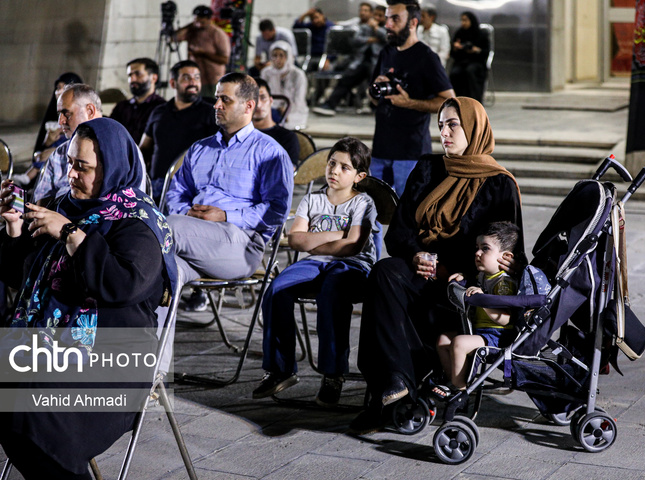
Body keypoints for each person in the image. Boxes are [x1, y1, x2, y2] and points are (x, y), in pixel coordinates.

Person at [0, 117, 177, 479]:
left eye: (83, 167)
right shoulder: (60, 204)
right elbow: (17, 274)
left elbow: (121, 285)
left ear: (112, 167)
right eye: (69, 163)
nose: (72, 175)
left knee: (29, 401)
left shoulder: (139, 222)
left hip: (113, 359)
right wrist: (15, 227)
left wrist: (71, 234)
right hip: (46, 344)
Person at [351, 96, 524, 434]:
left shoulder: (499, 183)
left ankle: (392, 391)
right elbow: (398, 231)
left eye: (452, 125)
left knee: (391, 288)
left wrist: (473, 274)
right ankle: (394, 385)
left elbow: (509, 252)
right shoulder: (429, 167)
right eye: (440, 125)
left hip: (462, 285)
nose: (443, 132)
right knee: (384, 272)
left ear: (473, 128)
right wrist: (417, 253)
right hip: (421, 271)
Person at [253, 137, 377, 407]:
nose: (334, 170)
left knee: (332, 291)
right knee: (276, 289)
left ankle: (333, 375)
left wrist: (317, 237)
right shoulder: (312, 199)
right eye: (332, 163)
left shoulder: (363, 203)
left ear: (359, 176)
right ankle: (280, 369)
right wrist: (338, 235)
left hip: (354, 266)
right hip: (315, 263)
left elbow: (353, 246)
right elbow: (296, 240)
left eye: (345, 167)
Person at [165, 73, 293, 311]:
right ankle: (151, 346)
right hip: (192, 234)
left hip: (242, 244)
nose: (216, 105)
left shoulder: (269, 152)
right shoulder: (200, 148)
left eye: (225, 99)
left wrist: (224, 216)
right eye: (216, 98)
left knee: (166, 228)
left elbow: (277, 210)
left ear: (249, 106)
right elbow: (177, 192)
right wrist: (188, 212)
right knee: (162, 280)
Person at [368, 0, 454, 197]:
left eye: (395, 19)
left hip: (410, 153)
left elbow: (449, 101)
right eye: (388, 18)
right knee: (372, 216)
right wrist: (375, 91)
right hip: (380, 149)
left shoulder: (426, 57)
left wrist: (410, 103)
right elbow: (372, 97)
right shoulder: (386, 52)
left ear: (413, 23)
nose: (388, 24)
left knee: (407, 217)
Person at [436, 221, 519, 390]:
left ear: (506, 257)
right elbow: (473, 284)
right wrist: (463, 277)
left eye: (485, 248)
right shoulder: (483, 276)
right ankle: (454, 380)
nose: (477, 253)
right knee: (443, 340)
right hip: (481, 331)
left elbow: (505, 320)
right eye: (477, 247)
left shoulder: (503, 283)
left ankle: (460, 390)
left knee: (459, 343)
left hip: (498, 335)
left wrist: (484, 300)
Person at [140, 60, 217, 198]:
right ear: (173, 83)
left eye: (197, 78)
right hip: (155, 185)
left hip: (189, 188)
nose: (193, 82)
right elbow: (144, 148)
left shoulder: (210, 113)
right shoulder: (159, 112)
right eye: (187, 78)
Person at [33, 83, 104, 206]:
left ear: (90, 111)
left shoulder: (123, 151)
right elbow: (41, 204)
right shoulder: (60, 153)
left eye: (67, 113)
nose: (61, 122)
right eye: (59, 114)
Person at [312, 3, 387, 116]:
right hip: (361, 62)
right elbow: (355, 40)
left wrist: (376, 28)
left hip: (377, 64)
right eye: (375, 15)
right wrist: (371, 39)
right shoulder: (365, 28)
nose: (377, 18)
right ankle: (330, 104)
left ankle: (375, 107)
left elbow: (387, 38)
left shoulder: (387, 29)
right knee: (346, 78)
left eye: (380, 16)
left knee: (377, 80)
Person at [174, 5, 231, 98]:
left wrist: (203, 54)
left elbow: (225, 59)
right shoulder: (192, 30)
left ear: (209, 20)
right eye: (197, 21)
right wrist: (190, 25)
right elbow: (174, 38)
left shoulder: (217, 34)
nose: (199, 24)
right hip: (195, 79)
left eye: (202, 21)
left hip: (212, 79)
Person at [109, 58, 166, 144]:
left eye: (138, 74)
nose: (132, 79)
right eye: (130, 75)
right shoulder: (121, 107)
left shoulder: (163, 108)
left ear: (154, 78)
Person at [260, 40, 309, 130]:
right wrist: (276, 108)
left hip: (294, 111)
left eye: (281, 55)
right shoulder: (266, 73)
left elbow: (299, 99)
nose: (277, 59)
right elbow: (263, 96)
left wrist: (286, 109)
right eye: (275, 55)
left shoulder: (298, 74)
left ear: (287, 57)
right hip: (271, 109)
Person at [253, 77, 301, 166]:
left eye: (263, 98)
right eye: (253, 99)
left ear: (271, 101)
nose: (258, 104)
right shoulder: (239, 135)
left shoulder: (287, 137)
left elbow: (289, 172)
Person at [449, 11, 490, 103]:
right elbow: (452, 54)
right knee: (455, 73)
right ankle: (457, 100)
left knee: (470, 71)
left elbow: (485, 52)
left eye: (465, 20)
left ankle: (475, 100)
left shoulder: (481, 34)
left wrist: (476, 50)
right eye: (462, 20)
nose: (463, 23)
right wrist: (456, 48)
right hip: (461, 62)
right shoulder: (459, 33)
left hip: (477, 62)